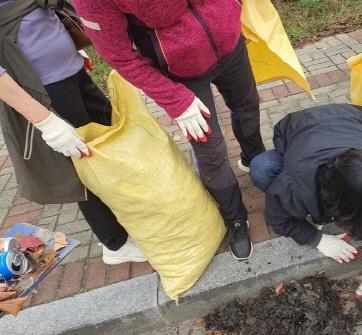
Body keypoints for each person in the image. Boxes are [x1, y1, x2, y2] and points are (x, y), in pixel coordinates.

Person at [72, 0, 266, 260]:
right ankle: (235, 217)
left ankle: (254, 158)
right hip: (182, 73)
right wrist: (176, 100)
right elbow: (119, 56)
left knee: (247, 106)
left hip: (229, 44)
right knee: (210, 148)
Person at [0, 0, 145, 265]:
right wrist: (44, 120)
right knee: (81, 162)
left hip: (71, 70)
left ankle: (130, 214)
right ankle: (115, 243)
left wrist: (66, 41)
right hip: (44, 90)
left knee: (108, 141)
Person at [250, 104, 362, 309]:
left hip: (351, 119)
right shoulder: (297, 183)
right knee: (261, 168)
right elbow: (278, 219)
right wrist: (318, 239)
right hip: (301, 128)